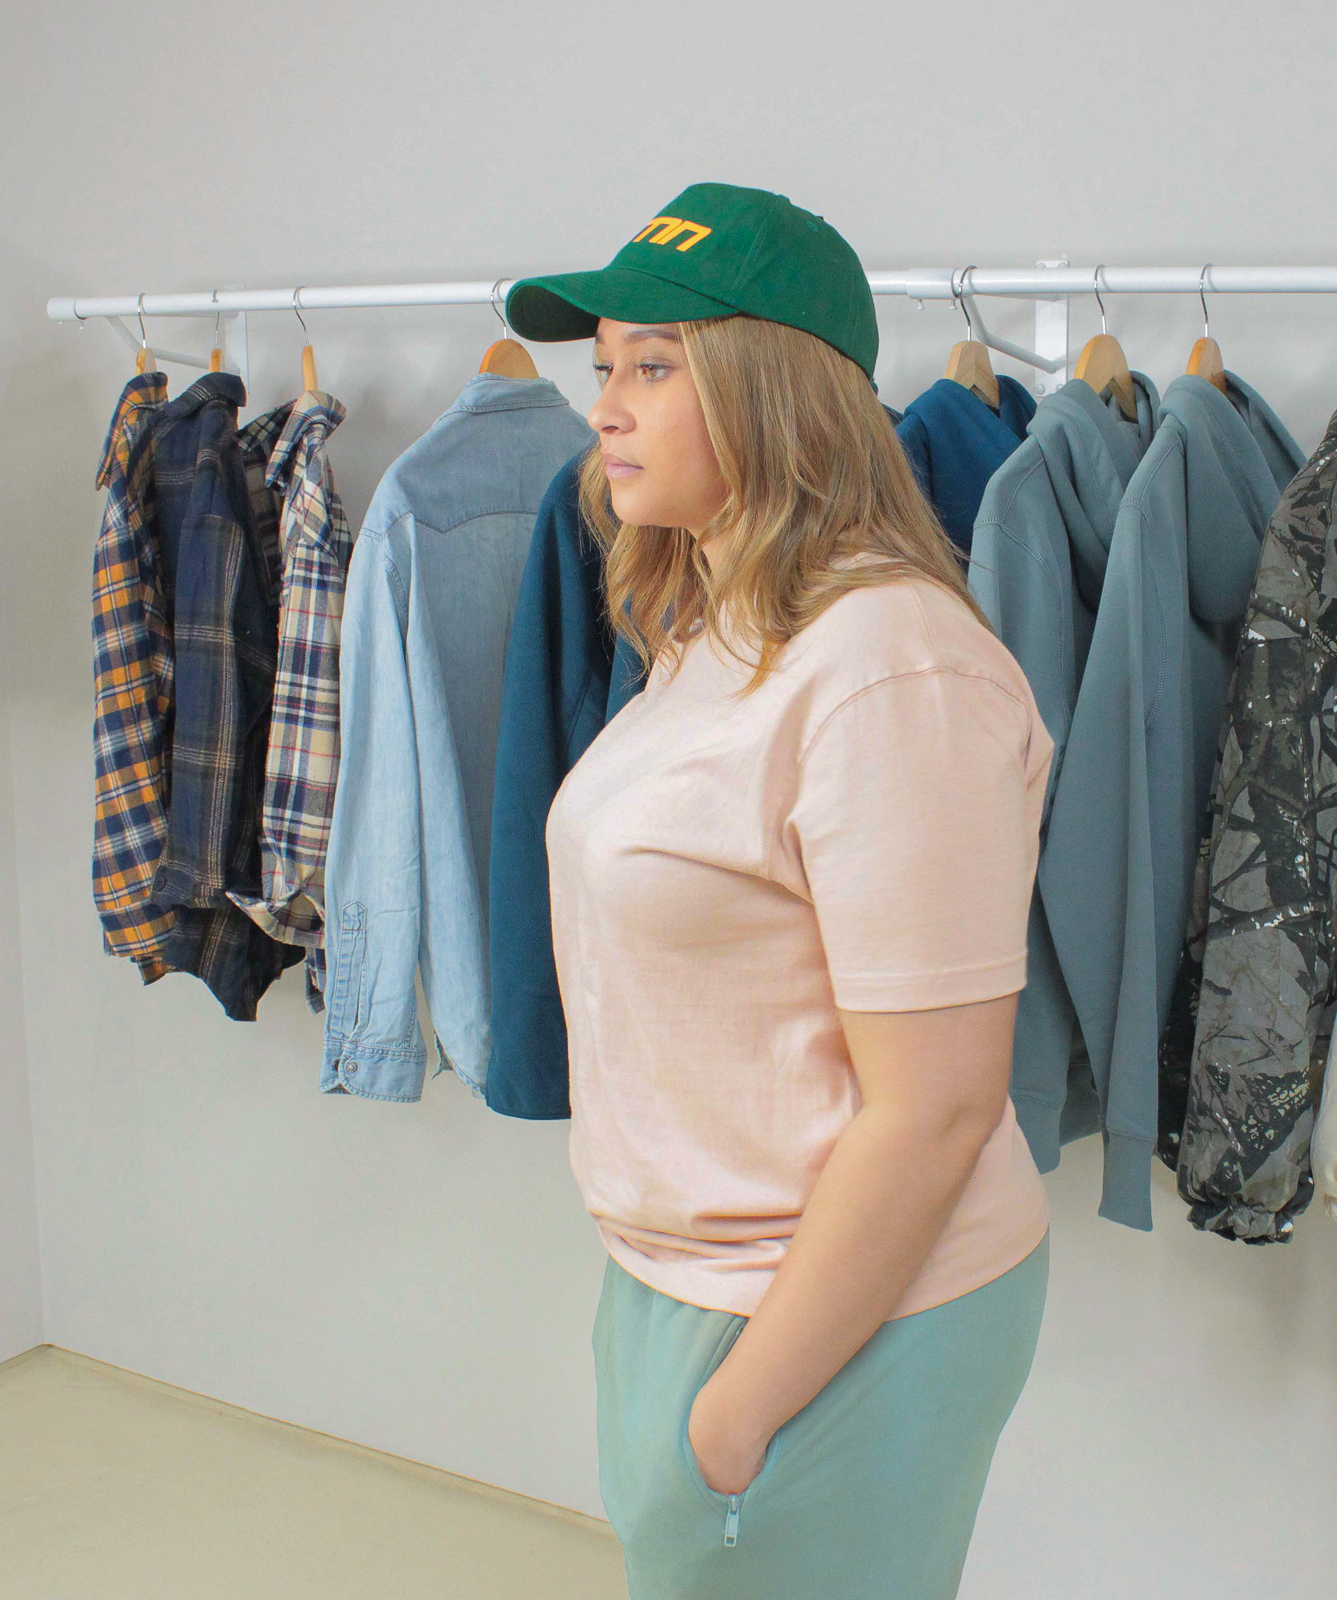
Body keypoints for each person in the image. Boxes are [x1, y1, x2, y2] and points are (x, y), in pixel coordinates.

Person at [505, 182, 1053, 1600]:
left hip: (829, 1314)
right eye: (602, 368)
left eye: (654, 366)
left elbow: (936, 1107)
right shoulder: (715, 624)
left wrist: (739, 1415)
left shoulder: (890, 669)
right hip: (688, 1284)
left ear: (776, 394)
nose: (607, 409)